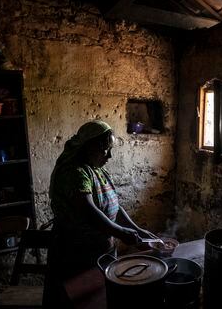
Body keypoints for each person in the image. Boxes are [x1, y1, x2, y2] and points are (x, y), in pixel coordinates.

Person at [43, 120, 157, 307]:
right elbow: (89, 211)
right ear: (88, 147)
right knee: (80, 300)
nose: (110, 155)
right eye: (105, 149)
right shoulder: (74, 172)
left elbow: (114, 206)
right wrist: (121, 233)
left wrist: (137, 230)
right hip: (77, 254)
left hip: (101, 250)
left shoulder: (97, 170)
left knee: (102, 299)